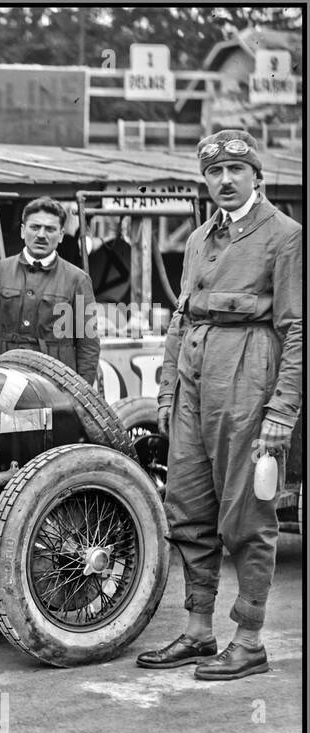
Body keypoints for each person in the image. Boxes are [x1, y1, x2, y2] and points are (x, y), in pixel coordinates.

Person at [137, 130, 302, 681]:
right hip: (193, 382)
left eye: (236, 169)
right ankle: (199, 630)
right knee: (188, 508)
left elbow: (297, 329)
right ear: (204, 180)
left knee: (247, 516)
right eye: (215, 172)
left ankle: (250, 639)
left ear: (257, 175)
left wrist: (282, 411)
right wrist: (166, 389)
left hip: (248, 378)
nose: (225, 180)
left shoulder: (285, 236)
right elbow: (181, 317)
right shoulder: (199, 237)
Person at [0, 197, 101, 384]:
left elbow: (88, 344)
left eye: (50, 229)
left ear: (61, 235)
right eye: (35, 227)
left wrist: (82, 393)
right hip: (0, 375)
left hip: (55, 380)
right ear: (23, 231)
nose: (41, 235)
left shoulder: (77, 279)